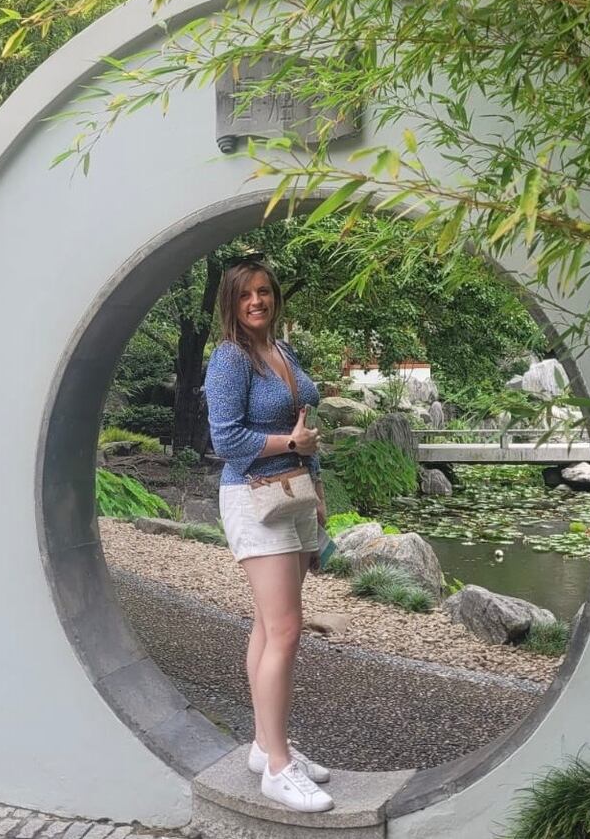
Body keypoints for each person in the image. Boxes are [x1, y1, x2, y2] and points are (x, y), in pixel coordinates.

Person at [204, 257, 334, 814]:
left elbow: (303, 426)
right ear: (231, 304)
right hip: (255, 497)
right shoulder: (229, 358)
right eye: (245, 295)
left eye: (264, 292)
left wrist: (318, 490)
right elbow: (227, 440)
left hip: (293, 494)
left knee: (268, 624)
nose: (256, 301)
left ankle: (264, 746)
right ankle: (278, 768)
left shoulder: (280, 352)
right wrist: (292, 445)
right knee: (286, 630)